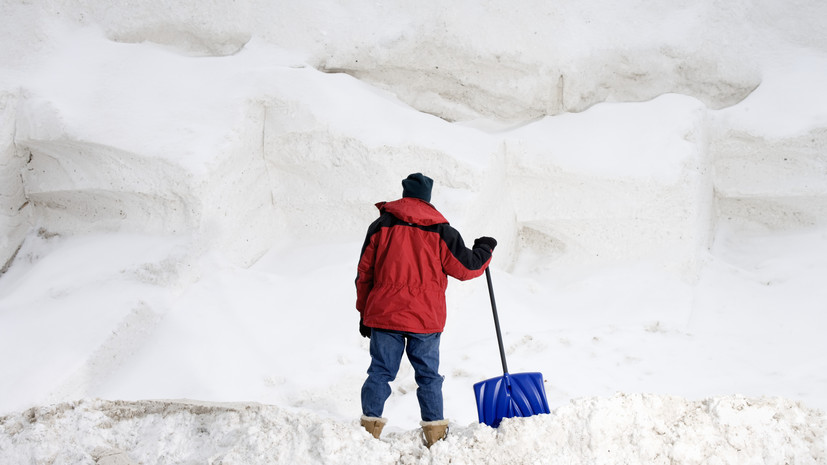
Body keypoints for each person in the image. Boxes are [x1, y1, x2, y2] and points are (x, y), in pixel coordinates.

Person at [355, 172, 497, 447]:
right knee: (429, 376)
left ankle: (367, 434)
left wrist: (364, 313)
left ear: (405, 193)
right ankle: (435, 437)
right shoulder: (441, 231)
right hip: (425, 318)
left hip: (384, 315)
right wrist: (484, 249)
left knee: (380, 373)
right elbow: (467, 268)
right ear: (427, 198)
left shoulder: (381, 225)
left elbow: (364, 273)